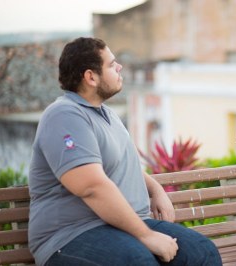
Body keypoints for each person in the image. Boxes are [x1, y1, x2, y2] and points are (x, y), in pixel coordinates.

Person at [28, 37, 222, 266]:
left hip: (122, 226)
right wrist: (146, 236)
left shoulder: (107, 116)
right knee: (138, 261)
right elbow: (90, 186)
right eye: (111, 64)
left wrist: (156, 189)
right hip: (70, 235)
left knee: (203, 253)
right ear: (91, 77)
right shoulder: (64, 115)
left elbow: (121, 164)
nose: (119, 67)